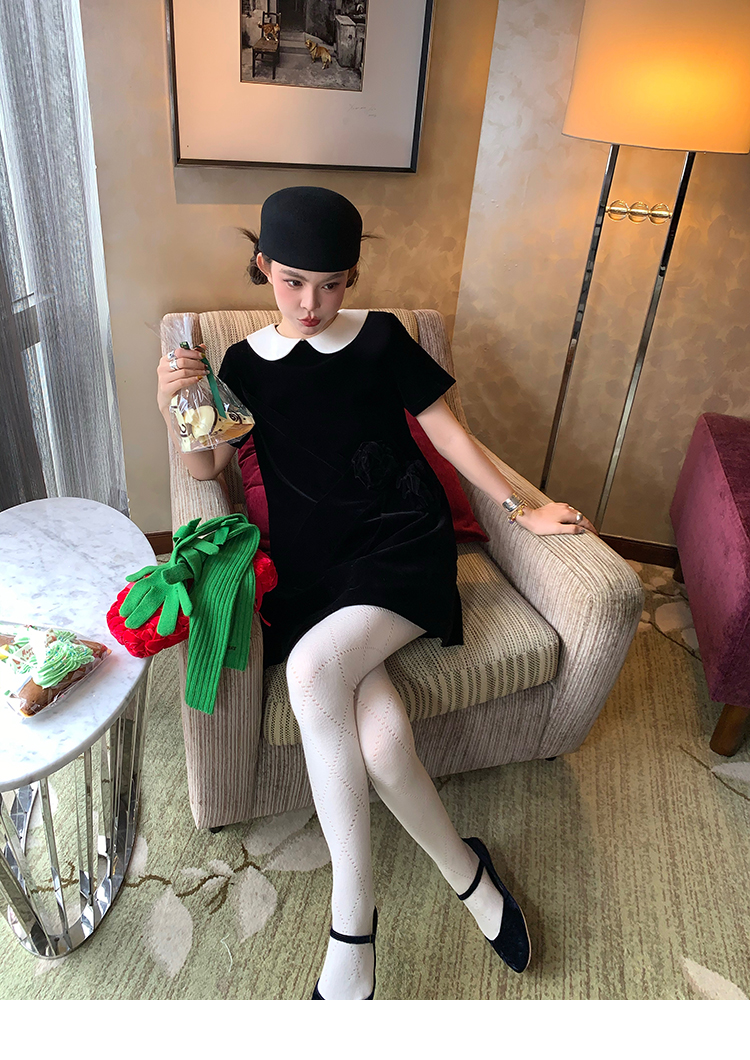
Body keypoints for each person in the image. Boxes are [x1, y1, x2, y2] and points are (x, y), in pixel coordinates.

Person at [156, 186, 598, 1001]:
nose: (312, 303)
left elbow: (448, 431)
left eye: (332, 284)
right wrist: (177, 403)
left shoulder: (384, 337)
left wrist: (522, 511)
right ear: (264, 266)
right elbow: (208, 469)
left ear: (353, 278)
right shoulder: (241, 364)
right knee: (385, 742)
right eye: (294, 281)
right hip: (313, 568)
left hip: (399, 545)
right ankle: (470, 875)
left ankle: (352, 927)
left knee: (313, 671)